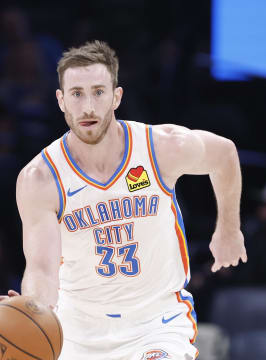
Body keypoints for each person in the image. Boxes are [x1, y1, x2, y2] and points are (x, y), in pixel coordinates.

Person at [0, 40, 247, 360]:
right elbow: (42, 269)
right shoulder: (40, 178)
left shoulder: (160, 147)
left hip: (156, 323)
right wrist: (33, 307)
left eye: (98, 92)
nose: (88, 106)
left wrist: (228, 228)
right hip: (77, 332)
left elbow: (224, 153)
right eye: (76, 94)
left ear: (116, 96)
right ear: (61, 101)